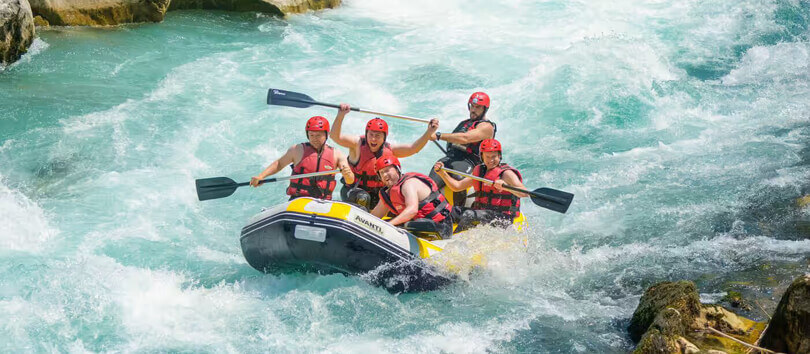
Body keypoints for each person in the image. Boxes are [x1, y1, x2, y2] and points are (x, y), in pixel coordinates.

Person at [330, 103, 439, 210]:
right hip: (354, 191)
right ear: (366, 134)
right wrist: (341, 115)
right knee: (363, 198)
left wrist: (429, 132)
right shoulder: (356, 144)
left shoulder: (390, 150)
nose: (373, 139)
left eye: (377, 136)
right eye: (371, 135)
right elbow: (335, 137)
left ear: (384, 138)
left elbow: (413, 148)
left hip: (378, 194)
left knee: (399, 195)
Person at [432, 139, 527, 232]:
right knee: (449, 211)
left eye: (494, 156)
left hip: (502, 218)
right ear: (482, 157)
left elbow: (524, 193)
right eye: (487, 157)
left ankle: (452, 238)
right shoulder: (479, 171)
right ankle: (437, 232)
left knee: (468, 214)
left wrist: (505, 185)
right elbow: (457, 186)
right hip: (482, 213)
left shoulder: (507, 173)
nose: (491, 160)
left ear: (499, 156)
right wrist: (442, 173)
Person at [250, 116, 354, 200]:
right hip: (298, 199)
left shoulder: (337, 154)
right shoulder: (297, 150)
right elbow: (279, 164)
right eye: (311, 135)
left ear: (326, 135)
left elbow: (350, 181)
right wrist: (261, 176)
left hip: (323, 202)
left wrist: (347, 174)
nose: (314, 139)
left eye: (318, 135)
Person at [428, 91, 497, 206]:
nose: (473, 110)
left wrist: (439, 135)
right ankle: (428, 209)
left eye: (477, 107)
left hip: (470, 162)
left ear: (485, 109)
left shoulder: (487, 127)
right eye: (472, 106)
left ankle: (458, 214)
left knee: (458, 177)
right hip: (450, 158)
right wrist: (431, 130)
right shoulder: (464, 123)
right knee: (429, 185)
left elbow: (466, 138)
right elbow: (452, 139)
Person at [371, 154, 454, 239]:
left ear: (397, 169)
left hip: (441, 225)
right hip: (418, 223)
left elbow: (412, 210)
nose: (385, 175)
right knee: (381, 223)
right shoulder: (387, 193)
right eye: (382, 173)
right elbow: (375, 216)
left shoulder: (409, 184)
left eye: (387, 170)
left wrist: (389, 225)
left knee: (407, 224)